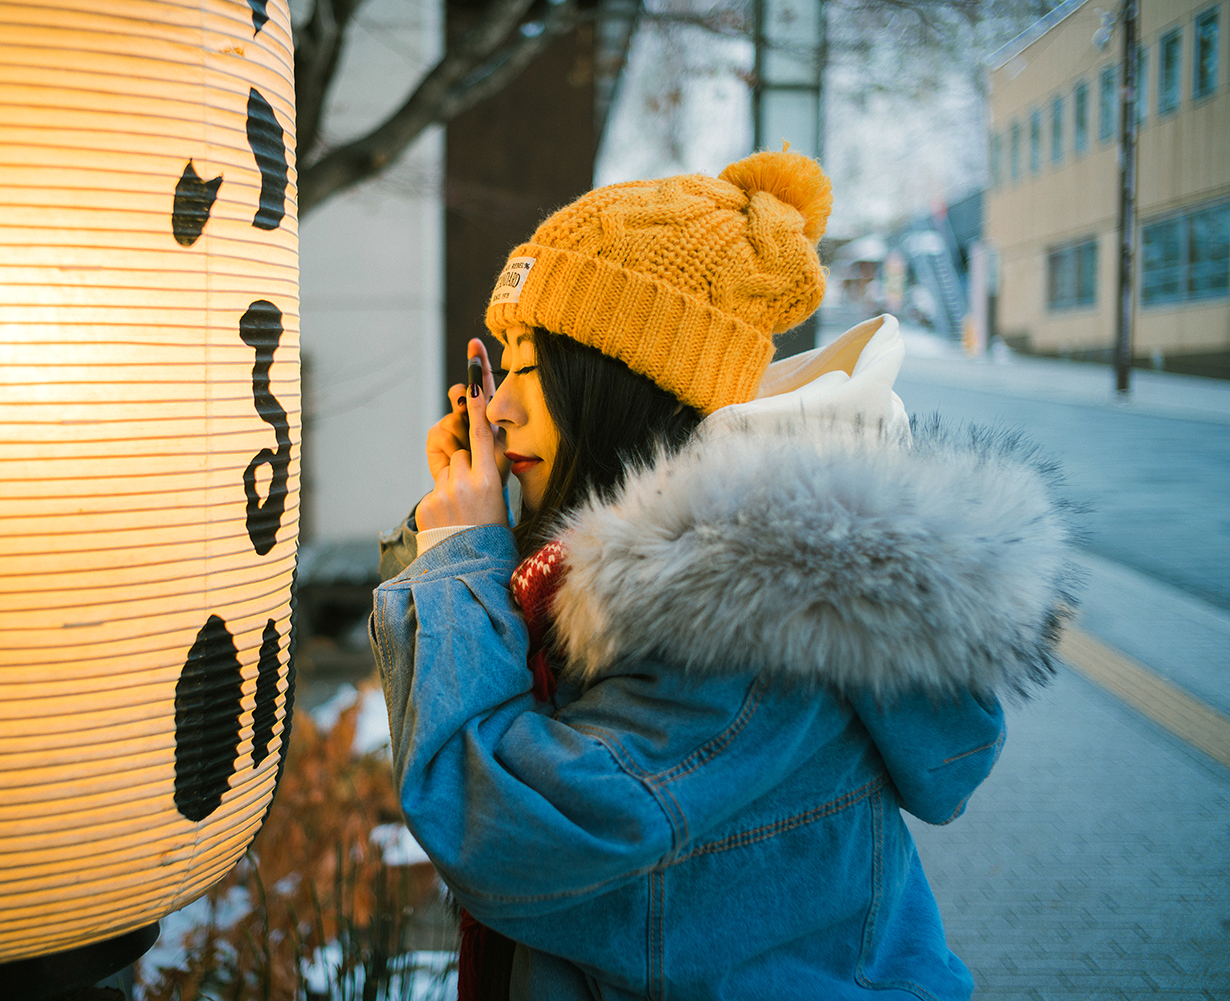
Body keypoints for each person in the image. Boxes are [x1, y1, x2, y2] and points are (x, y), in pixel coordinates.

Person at [371, 150, 1075, 1000]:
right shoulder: (601, 575)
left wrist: (456, 568)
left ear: (630, 380)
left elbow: (497, 833)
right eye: (498, 368)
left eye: (529, 367)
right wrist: (458, 541)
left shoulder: (735, 628)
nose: (497, 406)